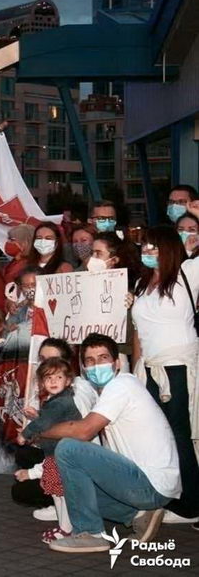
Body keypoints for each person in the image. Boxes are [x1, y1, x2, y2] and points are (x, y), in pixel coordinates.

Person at [42, 334, 180, 553]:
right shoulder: (105, 393)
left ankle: (91, 534)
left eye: (103, 358)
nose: (97, 366)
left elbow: (83, 431)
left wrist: (40, 431)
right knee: (71, 481)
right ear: (84, 368)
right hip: (145, 486)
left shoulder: (122, 384)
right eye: (90, 361)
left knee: (68, 449)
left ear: (117, 363)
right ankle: (140, 515)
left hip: (150, 484)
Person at [131, 225, 199, 524]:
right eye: (144, 246)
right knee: (159, 436)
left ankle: (191, 503)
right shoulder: (139, 283)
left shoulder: (187, 276)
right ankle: (169, 493)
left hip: (177, 366)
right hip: (147, 368)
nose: (147, 251)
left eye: (153, 247)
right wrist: (134, 370)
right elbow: (137, 333)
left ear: (170, 248)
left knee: (181, 435)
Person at [16, 358, 84, 544]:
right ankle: (64, 527)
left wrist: (25, 434)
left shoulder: (60, 402)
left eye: (58, 377)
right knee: (58, 493)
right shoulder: (57, 400)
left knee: (62, 494)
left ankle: (67, 528)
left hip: (64, 455)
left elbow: (44, 423)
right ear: (42, 383)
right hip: (58, 454)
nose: (53, 382)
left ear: (68, 380)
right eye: (48, 378)